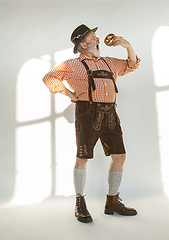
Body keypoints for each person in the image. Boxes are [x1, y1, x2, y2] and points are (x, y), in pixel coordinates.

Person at [42, 24, 141, 223]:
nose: (98, 39)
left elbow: (132, 65)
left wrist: (127, 45)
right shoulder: (71, 64)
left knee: (119, 155)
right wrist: (68, 93)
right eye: (93, 36)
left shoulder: (110, 62)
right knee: (83, 157)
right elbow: (49, 77)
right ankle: (80, 203)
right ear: (83, 43)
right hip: (87, 112)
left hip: (110, 112)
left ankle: (112, 201)